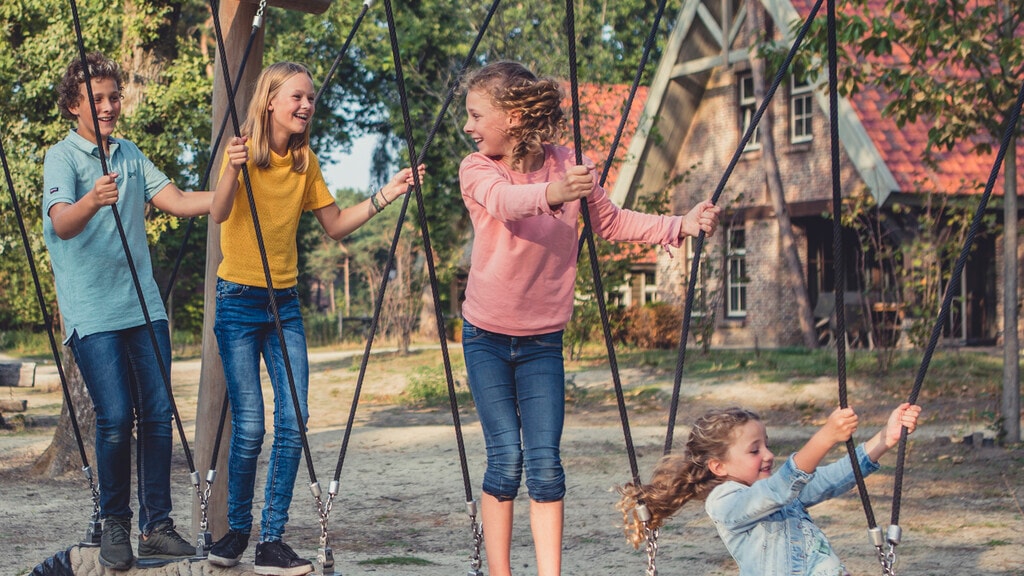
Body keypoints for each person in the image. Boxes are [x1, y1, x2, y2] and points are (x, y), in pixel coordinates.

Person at [458, 60, 721, 576]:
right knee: (505, 460)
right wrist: (556, 193)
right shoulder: (479, 169)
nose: (468, 126)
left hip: (542, 342)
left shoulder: (569, 163)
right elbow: (506, 203)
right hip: (486, 336)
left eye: (475, 114)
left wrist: (680, 224)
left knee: (547, 467)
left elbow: (613, 221)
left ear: (513, 117)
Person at [205, 61, 424, 576]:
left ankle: (272, 540)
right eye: (297, 97)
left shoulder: (306, 164)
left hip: (284, 303)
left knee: (294, 420)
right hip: (237, 300)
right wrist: (233, 167)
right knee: (251, 426)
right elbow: (217, 214)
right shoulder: (241, 152)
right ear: (270, 101)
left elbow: (336, 226)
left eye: (310, 99)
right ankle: (237, 529)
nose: (305, 106)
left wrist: (386, 194)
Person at [42, 52, 223, 570]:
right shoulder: (64, 158)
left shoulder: (129, 154)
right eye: (96, 98)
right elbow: (61, 224)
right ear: (75, 104)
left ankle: (156, 526)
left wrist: (231, 185)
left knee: (159, 415)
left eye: (113, 96)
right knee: (117, 416)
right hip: (93, 314)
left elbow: (181, 199)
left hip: (143, 307)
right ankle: (115, 523)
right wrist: (92, 201)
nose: (108, 106)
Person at [617, 402, 923, 576]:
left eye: (767, 446)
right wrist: (825, 437)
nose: (768, 455)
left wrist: (885, 438)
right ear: (718, 466)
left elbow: (831, 477)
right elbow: (779, 489)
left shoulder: (782, 493)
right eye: (754, 451)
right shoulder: (725, 503)